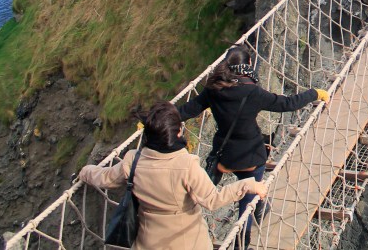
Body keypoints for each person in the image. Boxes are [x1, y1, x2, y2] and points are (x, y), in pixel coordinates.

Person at [178, 47, 329, 247]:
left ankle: (254, 208)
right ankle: (243, 240)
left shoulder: (212, 89)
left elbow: (188, 109)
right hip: (250, 157)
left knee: (202, 194)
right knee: (247, 203)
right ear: (248, 65)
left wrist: (151, 120)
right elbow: (286, 104)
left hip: (224, 158)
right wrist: (314, 93)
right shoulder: (252, 91)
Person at [79, 101, 267, 250]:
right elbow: (212, 200)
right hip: (188, 241)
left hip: (148, 242)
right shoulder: (186, 165)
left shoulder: (133, 161)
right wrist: (249, 185)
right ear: (178, 132)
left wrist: (85, 172)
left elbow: (105, 178)